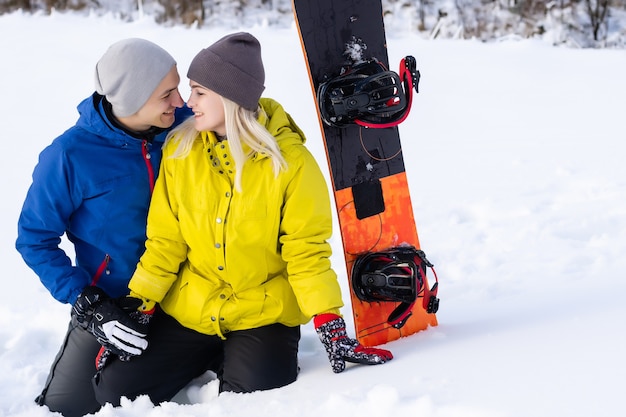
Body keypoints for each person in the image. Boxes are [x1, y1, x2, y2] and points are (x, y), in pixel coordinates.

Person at [92, 32, 394, 408]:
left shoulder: (292, 164)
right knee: (113, 389)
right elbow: (165, 242)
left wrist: (327, 320)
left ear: (230, 96)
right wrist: (142, 306)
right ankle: (209, 354)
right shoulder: (180, 151)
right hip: (193, 306)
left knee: (251, 402)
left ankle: (234, 356)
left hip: (262, 311)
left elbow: (306, 250)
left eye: (199, 92)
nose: (188, 102)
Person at [15, 38, 191, 417]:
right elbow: (34, 238)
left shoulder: (187, 127)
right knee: (67, 407)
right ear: (131, 99)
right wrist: (86, 301)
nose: (180, 102)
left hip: (190, 294)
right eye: (167, 94)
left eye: (179, 87)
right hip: (115, 303)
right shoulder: (69, 156)